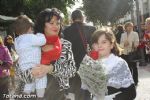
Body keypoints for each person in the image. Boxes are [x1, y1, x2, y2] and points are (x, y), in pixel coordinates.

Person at [14, 8, 76, 100]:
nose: (56, 26)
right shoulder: (30, 42)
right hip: (32, 95)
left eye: (58, 23)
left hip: (56, 95)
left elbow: (71, 70)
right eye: (51, 23)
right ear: (43, 25)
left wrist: (50, 68)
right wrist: (31, 73)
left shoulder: (65, 44)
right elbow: (18, 71)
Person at [91, 27, 136, 100]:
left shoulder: (119, 63)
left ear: (111, 45)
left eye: (104, 42)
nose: (100, 45)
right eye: (96, 43)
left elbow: (131, 93)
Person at [63, 9, 96, 100]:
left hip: (72, 65)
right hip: (88, 64)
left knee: (75, 91)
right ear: (82, 17)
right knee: (87, 92)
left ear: (71, 19)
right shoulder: (92, 29)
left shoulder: (66, 31)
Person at [14, 15, 47, 99]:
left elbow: (18, 51)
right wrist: (40, 33)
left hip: (24, 69)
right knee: (41, 79)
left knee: (29, 81)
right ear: (29, 28)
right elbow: (43, 41)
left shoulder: (17, 40)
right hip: (34, 67)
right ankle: (40, 97)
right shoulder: (30, 37)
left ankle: (26, 94)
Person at [120, 22, 139, 86]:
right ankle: (130, 81)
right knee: (128, 68)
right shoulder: (123, 35)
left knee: (134, 67)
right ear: (125, 27)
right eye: (128, 26)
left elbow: (137, 43)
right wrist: (124, 45)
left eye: (131, 26)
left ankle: (135, 81)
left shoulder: (135, 33)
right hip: (125, 53)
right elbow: (120, 44)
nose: (130, 27)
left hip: (132, 53)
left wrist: (130, 44)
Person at [0, 36, 13, 100]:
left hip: (3, 76)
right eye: (9, 40)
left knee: (4, 96)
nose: (10, 41)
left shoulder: (4, 48)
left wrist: (2, 62)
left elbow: (10, 62)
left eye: (10, 39)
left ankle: (13, 84)